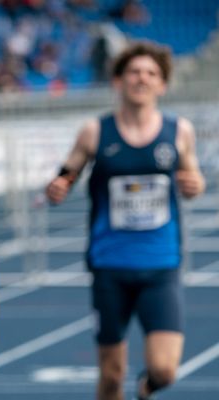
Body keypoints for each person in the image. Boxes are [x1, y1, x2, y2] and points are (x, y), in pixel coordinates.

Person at [46, 41, 205, 400]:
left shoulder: (179, 131)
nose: (142, 79)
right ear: (118, 80)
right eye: (134, 72)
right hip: (111, 266)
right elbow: (66, 174)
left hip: (161, 265)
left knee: (165, 370)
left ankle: (146, 388)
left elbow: (193, 181)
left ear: (162, 84)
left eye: (151, 73)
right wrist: (59, 185)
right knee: (111, 375)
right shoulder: (94, 131)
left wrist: (195, 183)